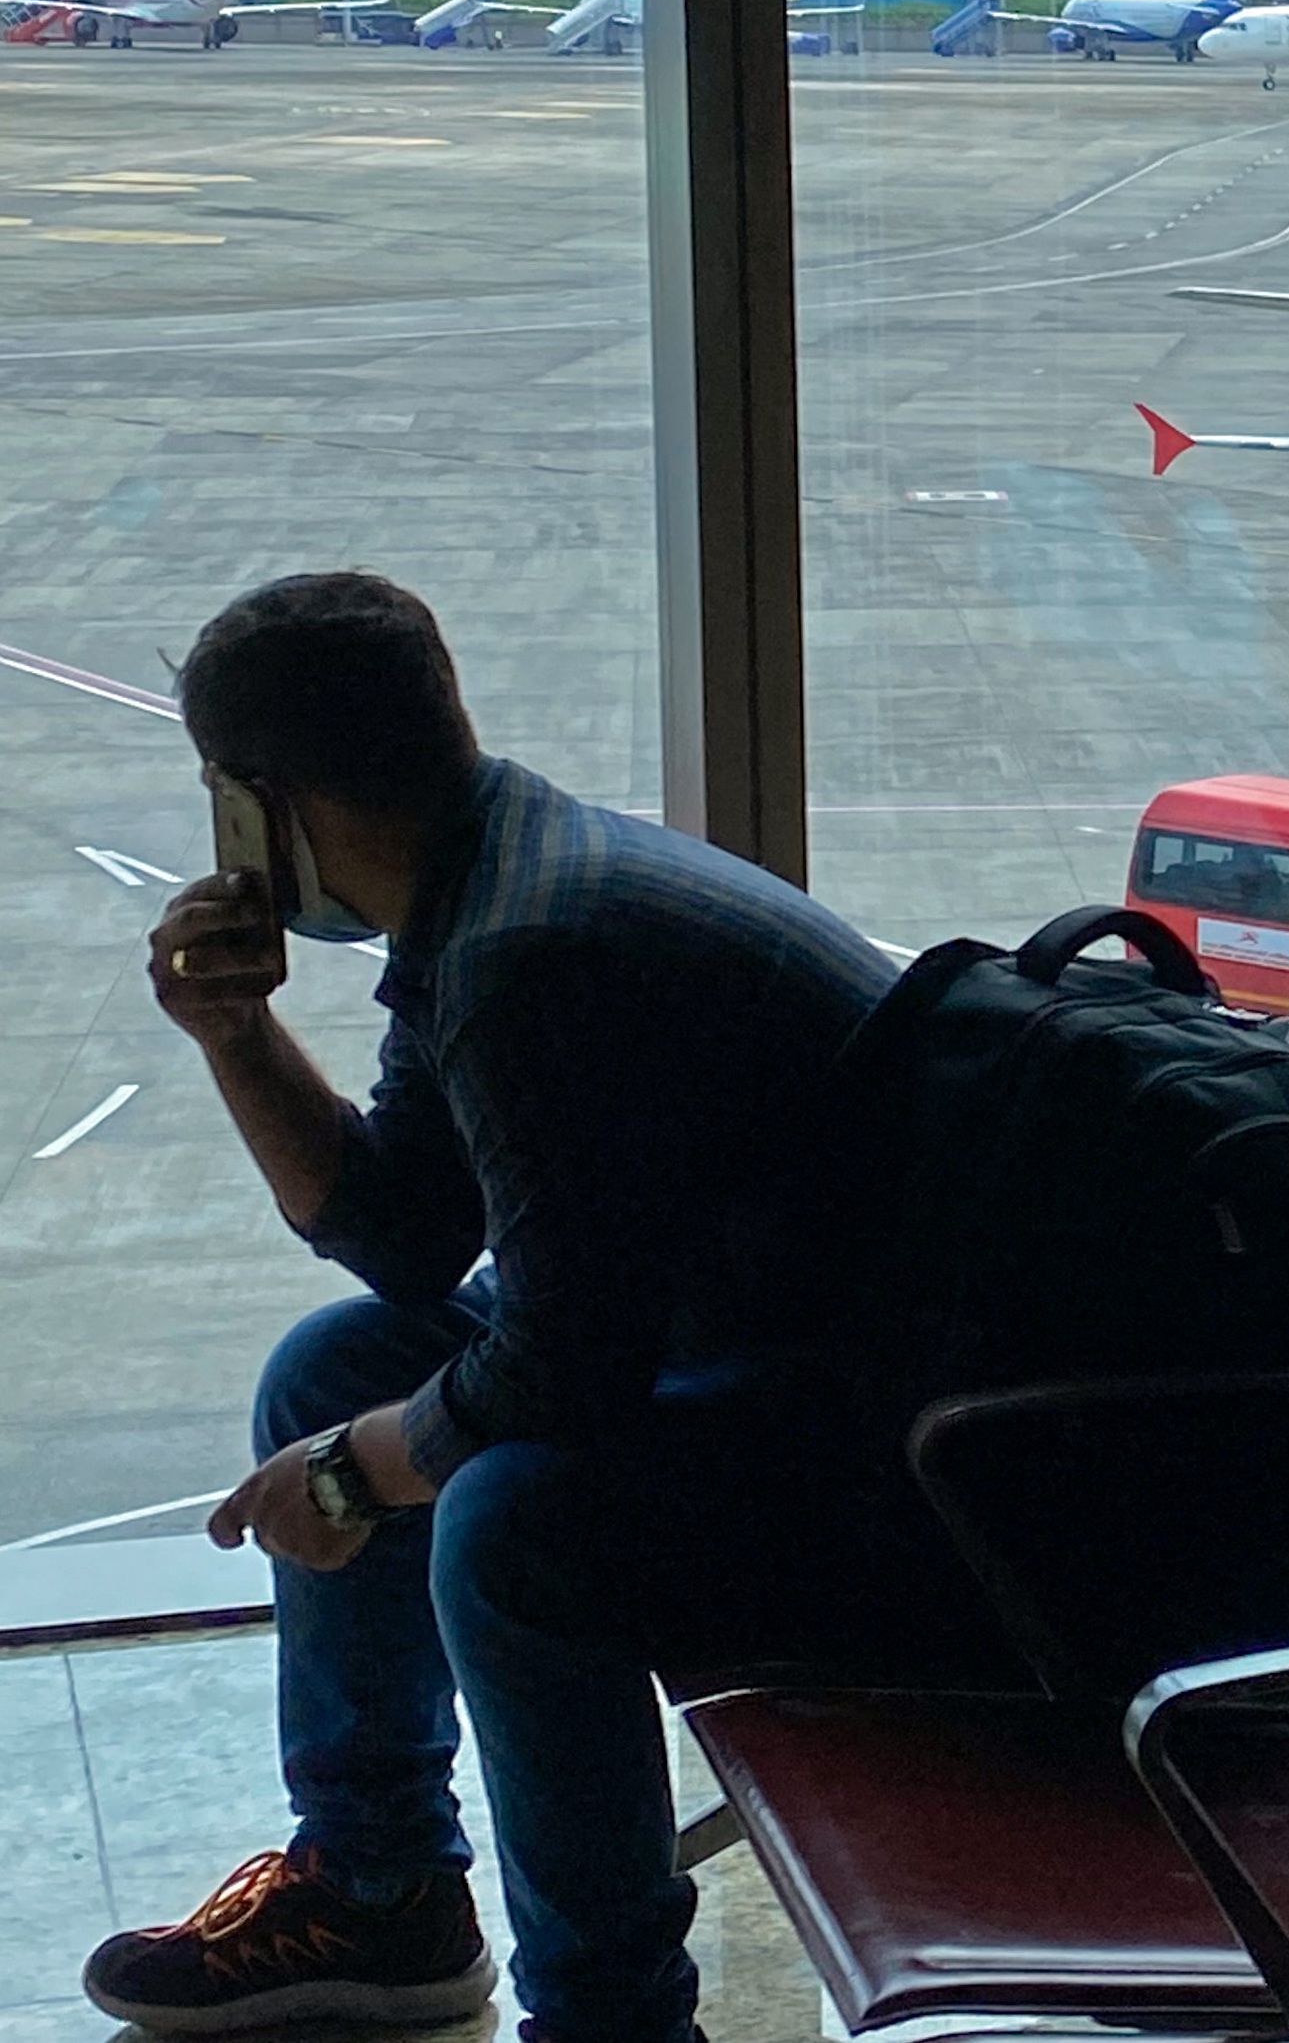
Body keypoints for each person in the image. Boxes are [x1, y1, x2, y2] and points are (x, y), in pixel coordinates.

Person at [85, 574, 1017, 2043]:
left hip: (907, 1468)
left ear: (259, 804)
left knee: (514, 1525)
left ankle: (613, 2018)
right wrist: (235, 1030)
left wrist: (349, 1474)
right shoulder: (493, 885)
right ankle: (384, 1895)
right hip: (775, 1363)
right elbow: (406, 1240)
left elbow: (560, 1370)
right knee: (341, 1369)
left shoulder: (534, 954)